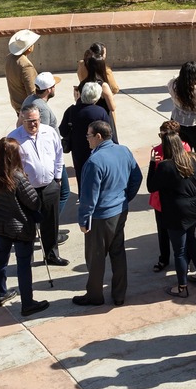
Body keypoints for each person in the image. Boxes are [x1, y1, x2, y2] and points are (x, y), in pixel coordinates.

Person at [75, 120, 142, 308]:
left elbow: (89, 197)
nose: (87, 139)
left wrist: (83, 220)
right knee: (118, 253)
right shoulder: (124, 151)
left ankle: (94, 296)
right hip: (120, 211)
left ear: (98, 136)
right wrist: (125, 198)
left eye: (89, 135)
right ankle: (119, 295)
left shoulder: (94, 162)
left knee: (96, 258)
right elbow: (136, 177)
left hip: (100, 218)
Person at [0, 137, 50, 316]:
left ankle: (1, 293)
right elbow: (34, 203)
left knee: (1, 256)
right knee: (23, 264)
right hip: (19, 227)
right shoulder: (18, 177)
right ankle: (27, 303)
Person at [148, 119, 196, 297]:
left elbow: (151, 186)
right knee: (191, 239)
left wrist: (151, 164)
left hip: (177, 211)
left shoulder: (164, 166)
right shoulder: (194, 158)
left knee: (180, 250)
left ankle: (182, 288)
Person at [10, 103, 68, 268]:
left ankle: (51, 255)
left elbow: (58, 155)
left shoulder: (49, 132)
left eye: (35, 120)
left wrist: (58, 179)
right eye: (29, 121)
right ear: (22, 118)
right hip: (27, 190)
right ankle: (26, 259)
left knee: (51, 222)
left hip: (50, 186)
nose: (33, 124)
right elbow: (10, 166)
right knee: (27, 226)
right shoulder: (14, 138)